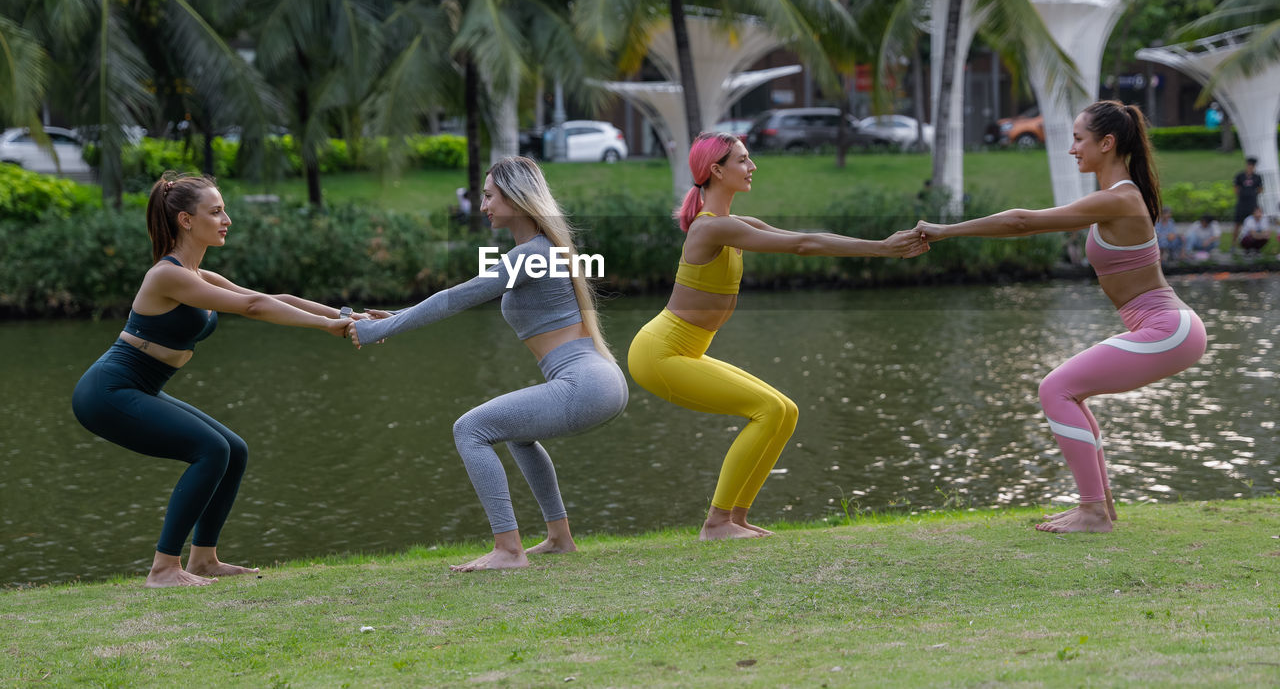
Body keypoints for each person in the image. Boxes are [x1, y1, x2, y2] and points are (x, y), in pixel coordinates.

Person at [916, 101, 1207, 534]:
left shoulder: (1122, 198)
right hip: (1168, 329)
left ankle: (1092, 512)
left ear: (1106, 143)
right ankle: (1100, 507)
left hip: (1169, 330)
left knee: (1057, 388)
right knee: (1070, 392)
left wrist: (945, 230)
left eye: (1078, 139)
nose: (1072, 149)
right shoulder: (1117, 197)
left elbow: (1021, 223)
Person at [627, 132, 929, 541]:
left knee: (785, 410)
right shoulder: (711, 230)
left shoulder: (734, 225)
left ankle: (735, 518)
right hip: (660, 353)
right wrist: (882, 248)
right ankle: (716, 524)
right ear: (717, 170)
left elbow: (806, 237)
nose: (752, 167)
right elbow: (804, 246)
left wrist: (881, 247)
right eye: (743, 160)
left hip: (684, 350)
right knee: (767, 409)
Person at [72, 172, 354, 588]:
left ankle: (203, 559)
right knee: (209, 449)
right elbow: (254, 308)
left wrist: (347, 316)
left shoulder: (196, 273)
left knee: (233, 450)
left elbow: (273, 299)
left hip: (140, 387)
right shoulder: (167, 275)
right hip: (107, 392)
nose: (227, 220)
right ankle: (164, 569)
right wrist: (323, 327)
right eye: (216, 212)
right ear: (186, 220)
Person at [351, 157, 627, 571]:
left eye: (489, 196)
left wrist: (380, 331)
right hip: (601, 381)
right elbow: (453, 297)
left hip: (586, 384)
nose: (482, 206)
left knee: (471, 429)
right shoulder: (541, 251)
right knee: (516, 434)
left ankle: (508, 550)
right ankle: (558, 538)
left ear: (517, 198)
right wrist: (391, 318)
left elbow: (454, 298)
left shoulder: (533, 255)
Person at [1232, 157, 1263, 245]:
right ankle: (1233, 244)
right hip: (1242, 203)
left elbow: (1260, 189)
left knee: (1252, 224)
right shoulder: (1240, 176)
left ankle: (1251, 244)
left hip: (1252, 203)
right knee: (1237, 224)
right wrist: (1242, 194)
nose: (1250, 167)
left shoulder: (1257, 177)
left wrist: (1252, 194)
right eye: (1249, 165)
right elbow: (1236, 188)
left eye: (1252, 166)